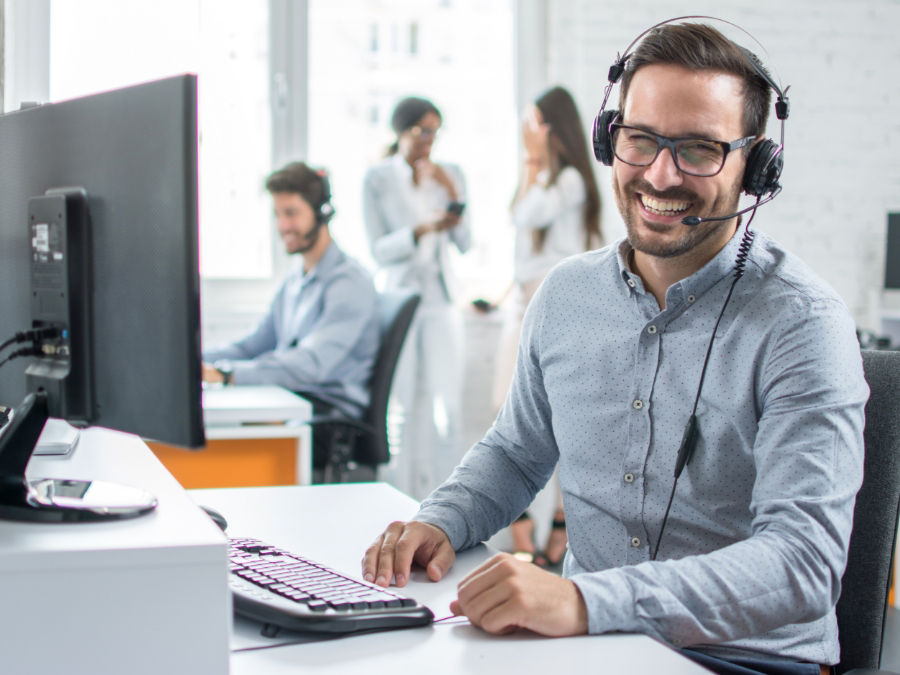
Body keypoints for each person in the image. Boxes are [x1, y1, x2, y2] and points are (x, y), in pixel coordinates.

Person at [362, 22, 868, 675]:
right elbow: (517, 453)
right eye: (641, 140)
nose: (661, 173)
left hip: (745, 660)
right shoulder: (566, 295)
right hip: (591, 650)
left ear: (756, 167)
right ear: (609, 140)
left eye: (699, 149)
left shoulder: (803, 323)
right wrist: (443, 519)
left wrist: (583, 601)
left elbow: (803, 563)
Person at [491, 86, 603, 569]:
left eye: (533, 124)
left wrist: (533, 164)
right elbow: (518, 223)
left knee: (558, 417)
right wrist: (531, 165)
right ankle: (522, 525)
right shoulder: (545, 178)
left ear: (552, 128)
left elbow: (526, 214)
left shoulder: (573, 181)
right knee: (507, 412)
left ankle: (557, 522)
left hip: (554, 307)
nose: (528, 135)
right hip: (521, 303)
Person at [203, 161, 379, 466]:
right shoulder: (295, 281)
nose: (283, 226)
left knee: (221, 443)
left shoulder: (349, 283)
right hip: (293, 405)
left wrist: (227, 374)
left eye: (292, 213)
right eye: (278, 214)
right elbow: (253, 345)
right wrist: (196, 361)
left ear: (322, 212)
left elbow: (311, 365)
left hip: (327, 422)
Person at [362, 96, 471, 500]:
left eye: (434, 132)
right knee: (400, 409)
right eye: (421, 131)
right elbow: (378, 249)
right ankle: (395, 504)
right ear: (400, 131)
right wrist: (421, 230)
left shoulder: (451, 173)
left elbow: (465, 241)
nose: (429, 141)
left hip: (440, 300)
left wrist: (450, 191)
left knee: (448, 411)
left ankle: (452, 507)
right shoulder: (377, 179)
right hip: (400, 300)